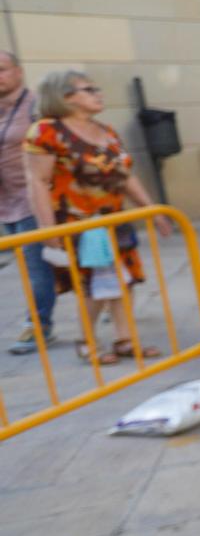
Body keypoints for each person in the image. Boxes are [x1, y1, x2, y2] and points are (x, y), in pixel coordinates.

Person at [23, 69, 169, 363]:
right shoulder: (46, 131)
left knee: (125, 281)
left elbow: (125, 175)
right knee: (93, 285)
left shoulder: (106, 131)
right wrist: (48, 229)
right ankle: (87, 341)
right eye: (89, 89)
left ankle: (124, 339)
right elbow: (37, 181)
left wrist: (151, 209)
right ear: (65, 97)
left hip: (114, 219)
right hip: (78, 223)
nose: (98, 93)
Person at [0, 50, 57, 354]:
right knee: (36, 267)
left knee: (37, 268)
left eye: (2, 69)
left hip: (34, 200)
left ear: (19, 72)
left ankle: (38, 326)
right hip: (6, 202)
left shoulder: (36, 106)